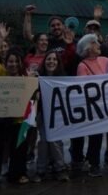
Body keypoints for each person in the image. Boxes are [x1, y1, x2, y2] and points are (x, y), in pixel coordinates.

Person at [75, 34, 108, 176]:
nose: (99, 45)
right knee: (95, 136)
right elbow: (82, 87)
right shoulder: (82, 66)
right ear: (88, 47)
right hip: (95, 108)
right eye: (95, 43)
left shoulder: (105, 60)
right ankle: (93, 163)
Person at [0, 28, 31, 185]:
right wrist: (1, 39)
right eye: (10, 61)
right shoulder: (0, 72)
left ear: (20, 64)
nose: (13, 64)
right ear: (6, 63)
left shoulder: (26, 78)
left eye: (16, 62)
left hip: (18, 121)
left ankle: (17, 174)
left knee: (19, 147)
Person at [34, 50, 70, 182]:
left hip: (58, 115)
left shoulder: (62, 79)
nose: (51, 62)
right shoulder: (37, 78)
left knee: (55, 141)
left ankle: (58, 168)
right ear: (44, 62)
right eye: (49, 59)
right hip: (42, 115)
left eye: (54, 59)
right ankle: (42, 169)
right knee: (44, 141)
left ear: (58, 62)